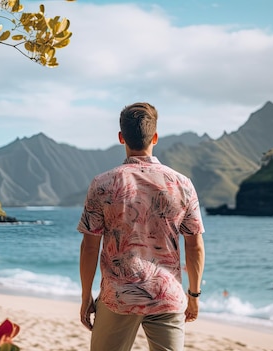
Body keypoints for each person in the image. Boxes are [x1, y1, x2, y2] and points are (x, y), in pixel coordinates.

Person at [78, 102, 206, 351]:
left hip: (118, 296)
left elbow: (90, 247)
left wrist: (86, 298)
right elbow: (195, 246)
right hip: (166, 294)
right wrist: (194, 294)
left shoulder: (102, 184)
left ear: (120, 137)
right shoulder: (182, 184)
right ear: (155, 137)